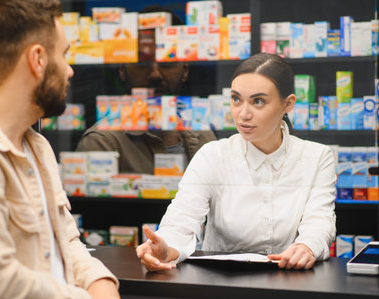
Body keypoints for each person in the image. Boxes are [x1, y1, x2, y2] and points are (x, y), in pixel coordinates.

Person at [0, 1, 120, 298]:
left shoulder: (37, 146)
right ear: (38, 59)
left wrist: (101, 282)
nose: (70, 71)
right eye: (64, 54)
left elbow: (67, 241)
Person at [136, 53, 336, 271]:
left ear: (288, 104)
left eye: (258, 101)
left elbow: (320, 220)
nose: (243, 114)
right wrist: (165, 249)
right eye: (236, 99)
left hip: (289, 282)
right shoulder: (213, 156)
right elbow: (181, 219)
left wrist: (307, 246)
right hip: (221, 283)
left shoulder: (316, 157)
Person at [76, 5, 216, 174]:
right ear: (122, 69)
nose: (155, 74)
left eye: (167, 62)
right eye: (142, 63)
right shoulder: (103, 143)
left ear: (185, 70)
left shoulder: (203, 136)